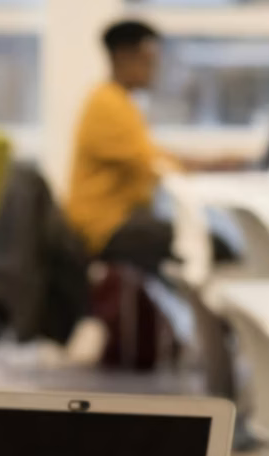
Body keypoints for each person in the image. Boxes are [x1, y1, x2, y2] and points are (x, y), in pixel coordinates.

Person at [63, 19, 182, 273]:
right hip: (103, 229)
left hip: (118, 222)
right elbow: (155, 165)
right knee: (205, 245)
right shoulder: (107, 105)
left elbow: (154, 157)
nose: (154, 68)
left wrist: (219, 162)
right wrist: (215, 165)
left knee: (190, 242)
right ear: (123, 58)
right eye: (147, 60)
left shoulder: (120, 102)